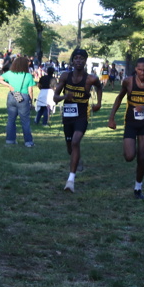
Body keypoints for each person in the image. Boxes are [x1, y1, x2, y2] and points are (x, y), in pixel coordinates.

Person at [108, 58, 144, 199]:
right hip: (130, 122)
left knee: (141, 157)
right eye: (139, 69)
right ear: (136, 69)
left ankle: (138, 187)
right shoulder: (128, 82)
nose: (142, 72)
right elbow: (119, 98)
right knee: (129, 156)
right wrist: (111, 118)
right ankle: (131, 148)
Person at [54, 49, 103, 192]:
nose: (79, 61)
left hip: (82, 115)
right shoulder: (65, 76)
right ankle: (77, 159)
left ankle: (70, 180)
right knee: (70, 147)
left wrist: (99, 103)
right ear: (72, 60)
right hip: (68, 115)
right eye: (76, 58)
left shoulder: (91, 79)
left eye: (82, 58)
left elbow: (99, 87)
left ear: (85, 61)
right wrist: (65, 97)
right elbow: (55, 98)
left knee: (76, 142)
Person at [0, 55, 35, 147]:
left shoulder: (10, 73)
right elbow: (30, 90)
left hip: (12, 95)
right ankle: (28, 141)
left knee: (11, 119)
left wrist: (9, 85)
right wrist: (31, 101)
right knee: (25, 121)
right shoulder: (28, 75)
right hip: (23, 97)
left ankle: (10, 140)